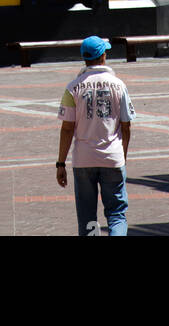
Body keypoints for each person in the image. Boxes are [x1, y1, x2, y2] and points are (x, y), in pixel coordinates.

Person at [56, 36, 135, 237]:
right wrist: (123, 156)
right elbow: (126, 126)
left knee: (87, 217)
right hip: (113, 157)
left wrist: (60, 163)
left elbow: (67, 129)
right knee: (116, 214)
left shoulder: (72, 87)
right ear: (103, 56)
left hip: (83, 160)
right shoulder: (119, 85)